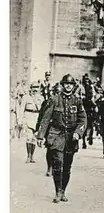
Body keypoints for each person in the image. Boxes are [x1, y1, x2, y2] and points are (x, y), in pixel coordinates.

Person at [36, 74, 87, 203]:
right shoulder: (54, 99)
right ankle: (58, 191)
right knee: (58, 164)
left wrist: (78, 133)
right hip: (57, 136)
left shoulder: (78, 101)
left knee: (67, 167)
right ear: (62, 85)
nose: (68, 86)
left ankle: (63, 190)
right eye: (66, 84)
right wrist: (41, 136)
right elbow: (46, 119)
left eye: (70, 84)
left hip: (71, 138)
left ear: (73, 86)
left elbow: (83, 120)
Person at [18, 83, 43, 163]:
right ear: (31, 88)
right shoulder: (26, 97)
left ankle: (32, 155)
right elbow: (21, 109)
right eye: (33, 87)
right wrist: (20, 120)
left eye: (37, 88)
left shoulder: (41, 98)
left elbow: (42, 110)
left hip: (37, 117)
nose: (35, 89)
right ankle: (28, 155)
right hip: (28, 117)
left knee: (34, 138)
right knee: (29, 137)